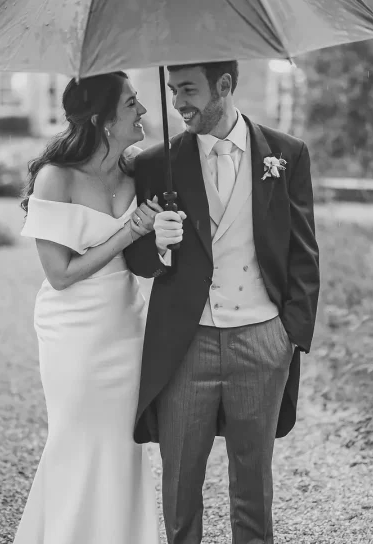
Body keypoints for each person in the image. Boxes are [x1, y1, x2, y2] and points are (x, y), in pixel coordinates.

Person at [124, 61, 322, 544]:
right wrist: (160, 243)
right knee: (179, 489)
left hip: (261, 341)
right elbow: (138, 260)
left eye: (188, 90)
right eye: (173, 90)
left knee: (253, 489)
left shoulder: (287, 154)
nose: (177, 103)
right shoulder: (155, 164)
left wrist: (288, 335)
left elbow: (304, 253)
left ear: (226, 85)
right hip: (185, 346)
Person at [16, 71, 164, 544]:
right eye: (132, 103)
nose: (142, 111)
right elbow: (60, 275)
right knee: (77, 440)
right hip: (74, 332)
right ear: (102, 120)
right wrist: (129, 231)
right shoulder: (55, 178)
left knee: (126, 444)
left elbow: (146, 257)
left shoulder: (139, 169)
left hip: (126, 324)